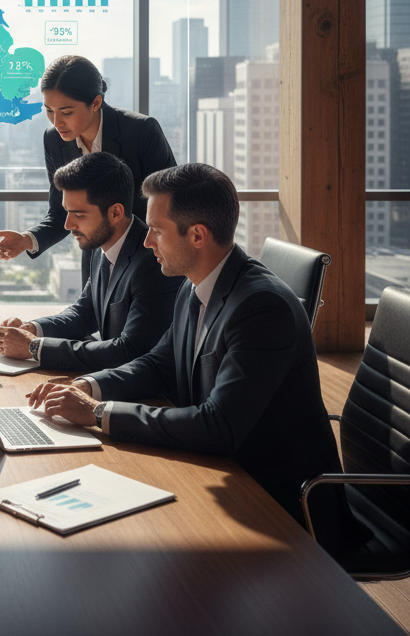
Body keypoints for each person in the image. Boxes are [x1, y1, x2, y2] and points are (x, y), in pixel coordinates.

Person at [26, 163, 356, 549]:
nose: (147, 243)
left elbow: (219, 426)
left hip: (284, 504)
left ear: (197, 235)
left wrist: (99, 414)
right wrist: (89, 386)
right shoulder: (195, 285)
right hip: (228, 476)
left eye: (157, 231)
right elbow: (158, 364)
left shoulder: (261, 307)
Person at [0, 54, 175, 264]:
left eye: (66, 112)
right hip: (94, 258)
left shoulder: (141, 131)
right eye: (49, 111)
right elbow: (61, 212)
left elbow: (171, 204)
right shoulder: (54, 140)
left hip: (148, 257)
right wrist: (27, 240)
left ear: (96, 102)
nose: (57, 122)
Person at [0, 152, 177, 373]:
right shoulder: (100, 247)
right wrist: (32, 329)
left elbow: (130, 351)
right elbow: (84, 313)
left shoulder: (153, 262)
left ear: (115, 213)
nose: (68, 224)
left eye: (78, 214)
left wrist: (34, 347)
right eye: (67, 212)